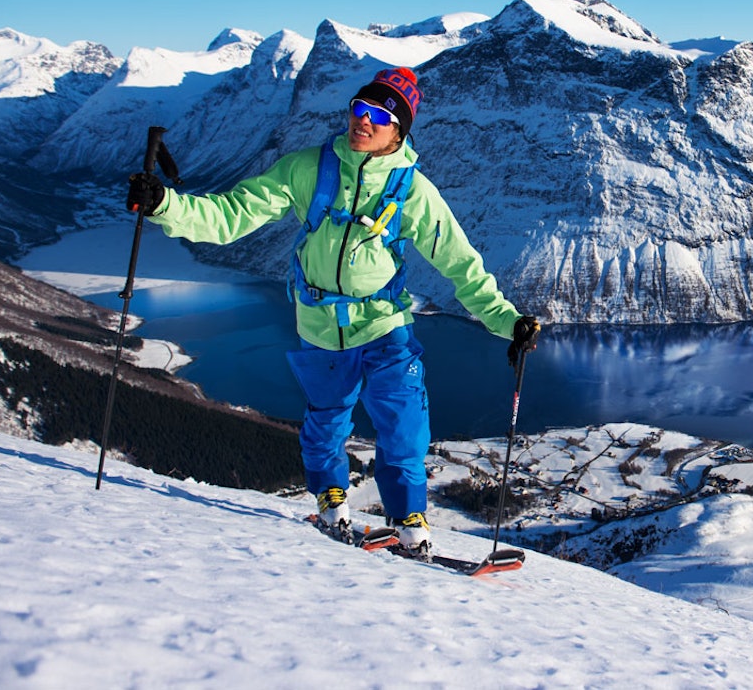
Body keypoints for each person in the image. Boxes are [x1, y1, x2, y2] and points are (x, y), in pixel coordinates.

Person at [127, 67, 540, 555]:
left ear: (399, 131)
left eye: (380, 116)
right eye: (359, 109)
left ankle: (409, 519)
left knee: (403, 424)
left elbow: (462, 266)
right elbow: (231, 215)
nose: (363, 122)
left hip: (386, 324)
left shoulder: (413, 192)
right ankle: (331, 500)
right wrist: (164, 206)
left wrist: (507, 322)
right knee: (326, 421)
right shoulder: (308, 169)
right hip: (321, 326)